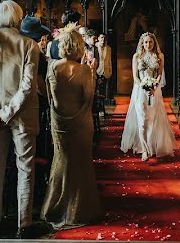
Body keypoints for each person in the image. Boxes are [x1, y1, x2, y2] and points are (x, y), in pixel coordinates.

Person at [0, 0, 41, 239]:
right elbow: (27, 86)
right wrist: (7, 113)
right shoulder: (29, 44)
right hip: (21, 115)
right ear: (18, 18)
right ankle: (24, 223)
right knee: (25, 168)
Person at [41, 29, 103, 228]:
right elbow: (89, 99)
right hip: (81, 123)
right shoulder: (84, 70)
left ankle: (55, 206)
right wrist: (91, 73)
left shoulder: (52, 68)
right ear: (78, 47)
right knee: (81, 163)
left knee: (61, 160)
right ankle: (79, 210)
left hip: (59, 123)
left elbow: (50, 98)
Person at [121, 32, 176, 161]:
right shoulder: (136, 56)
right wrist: (144, 87)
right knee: (142, 120)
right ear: (142, 43)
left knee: (151, 120)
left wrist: (154, 86)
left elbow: (159, 74)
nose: (148, 44)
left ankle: (150, 146)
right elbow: (135, 76)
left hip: (154, 90)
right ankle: (144, 150)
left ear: (154, 43)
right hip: (140, 90)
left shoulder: (159, 56)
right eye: (146, 42)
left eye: (150, 42)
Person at [95, 32, 113, 106]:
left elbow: (109, 60)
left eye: (104, 38)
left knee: (106, 89)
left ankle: (104, 105)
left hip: (106, 70)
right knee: (98, 89)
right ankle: (98, 106)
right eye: (101, 37)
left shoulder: (108, 48)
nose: (103, 39)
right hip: (98, 70)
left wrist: (110, 70)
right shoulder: (95, 46)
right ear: (98, 38)